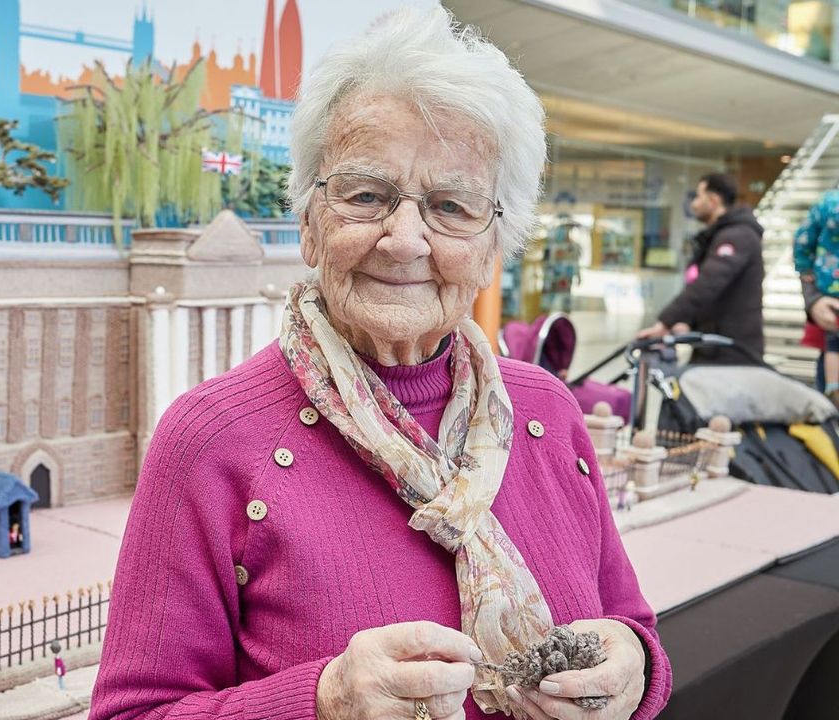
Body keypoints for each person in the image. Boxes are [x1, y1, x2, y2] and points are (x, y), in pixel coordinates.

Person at [90, 8, 671, 720]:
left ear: (495, 248)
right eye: (366, 196)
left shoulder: (548, 411)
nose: (404, 239)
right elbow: (132, 712)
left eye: (451, 206)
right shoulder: (210, 441)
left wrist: (636, 667)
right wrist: (324, 700)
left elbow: (632, 624)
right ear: (309, 224)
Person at [637, 174, 764, 364]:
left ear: (713, 201)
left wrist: (666, 322)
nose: (693, 204)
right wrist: (688, 322)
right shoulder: (720, 235)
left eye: (698, 196)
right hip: (713, 345)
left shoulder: (737, 236)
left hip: (731, 352)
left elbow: (707, 284)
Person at [794, 189, 839, 401]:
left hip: (829, 283)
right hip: (827, 295)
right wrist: (813, 300)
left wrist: (805, 269)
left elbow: (802, 240)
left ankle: (833, 387)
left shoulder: (827, 204)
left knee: (834, 342)